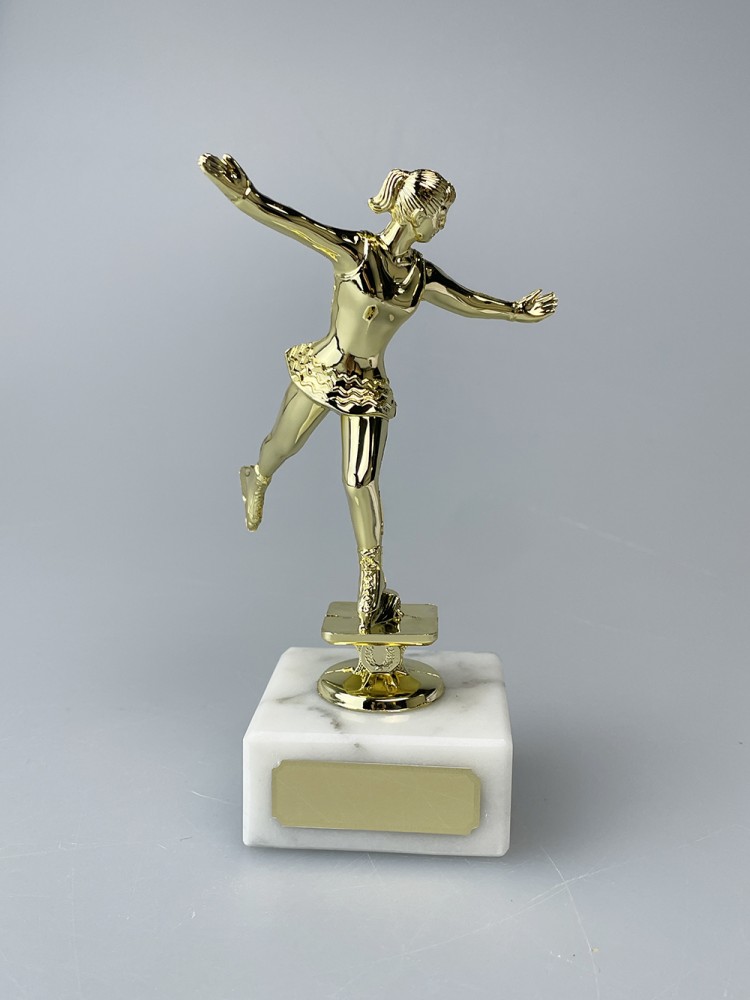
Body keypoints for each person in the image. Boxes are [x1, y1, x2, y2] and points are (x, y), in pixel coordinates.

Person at [199, 154, 557, 630]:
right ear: (415, 212)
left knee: (360, 481)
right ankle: (257, 478)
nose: (443, 224)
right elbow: (291, 222)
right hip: (324, 369)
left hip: (368, 387)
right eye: (440, 214)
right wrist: (244, 195)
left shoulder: (421, 276)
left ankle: (371, 579)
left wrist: (515, 310)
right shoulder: (355, 252)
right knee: (281, 446)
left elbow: (468, 301)